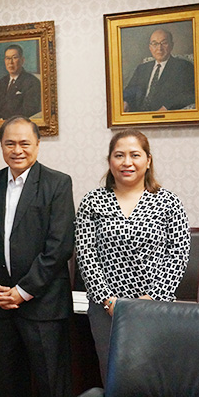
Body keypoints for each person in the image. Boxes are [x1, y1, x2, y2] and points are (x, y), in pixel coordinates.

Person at [0, 115, 75, 396]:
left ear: (38, 145)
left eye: (25, 143)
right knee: (3, 384)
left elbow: (59, 247)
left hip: (43, 307)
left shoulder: (58, 183)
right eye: (10, 144)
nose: (17, 150)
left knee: (51, 384)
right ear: (1, 146)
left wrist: (23, 290)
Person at [76, 129, 190, 384]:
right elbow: (86, 255)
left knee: (156, 378)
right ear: (109, 161)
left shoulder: (168, 202)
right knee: (114, 377)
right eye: (119, 155)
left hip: (156, 309)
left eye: (135, 155)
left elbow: (178, 254)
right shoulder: (92, 202)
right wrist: (108, 301)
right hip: (107, 310)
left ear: (148, 160)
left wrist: (149, 302)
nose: (127, 162)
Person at [123, 28, 195, 112]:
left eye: (164, 43)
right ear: (150, 47)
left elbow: (189, 94)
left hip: (164, 116)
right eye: (154, 44)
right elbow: (130, 90)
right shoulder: (142, 68)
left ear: (171, 45)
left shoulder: (183, 66)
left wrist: (167, 107)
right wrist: (126, 102)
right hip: (138, 115)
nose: (159, 48)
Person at [0, 44, 42, 120]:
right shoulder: (2, 82)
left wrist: (2, 120)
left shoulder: (32, 82)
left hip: (15, 125)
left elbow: (28, 111)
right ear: (5, 61)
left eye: (14, 58)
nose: (10, 62)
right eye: (7, 58)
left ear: (22, 60)